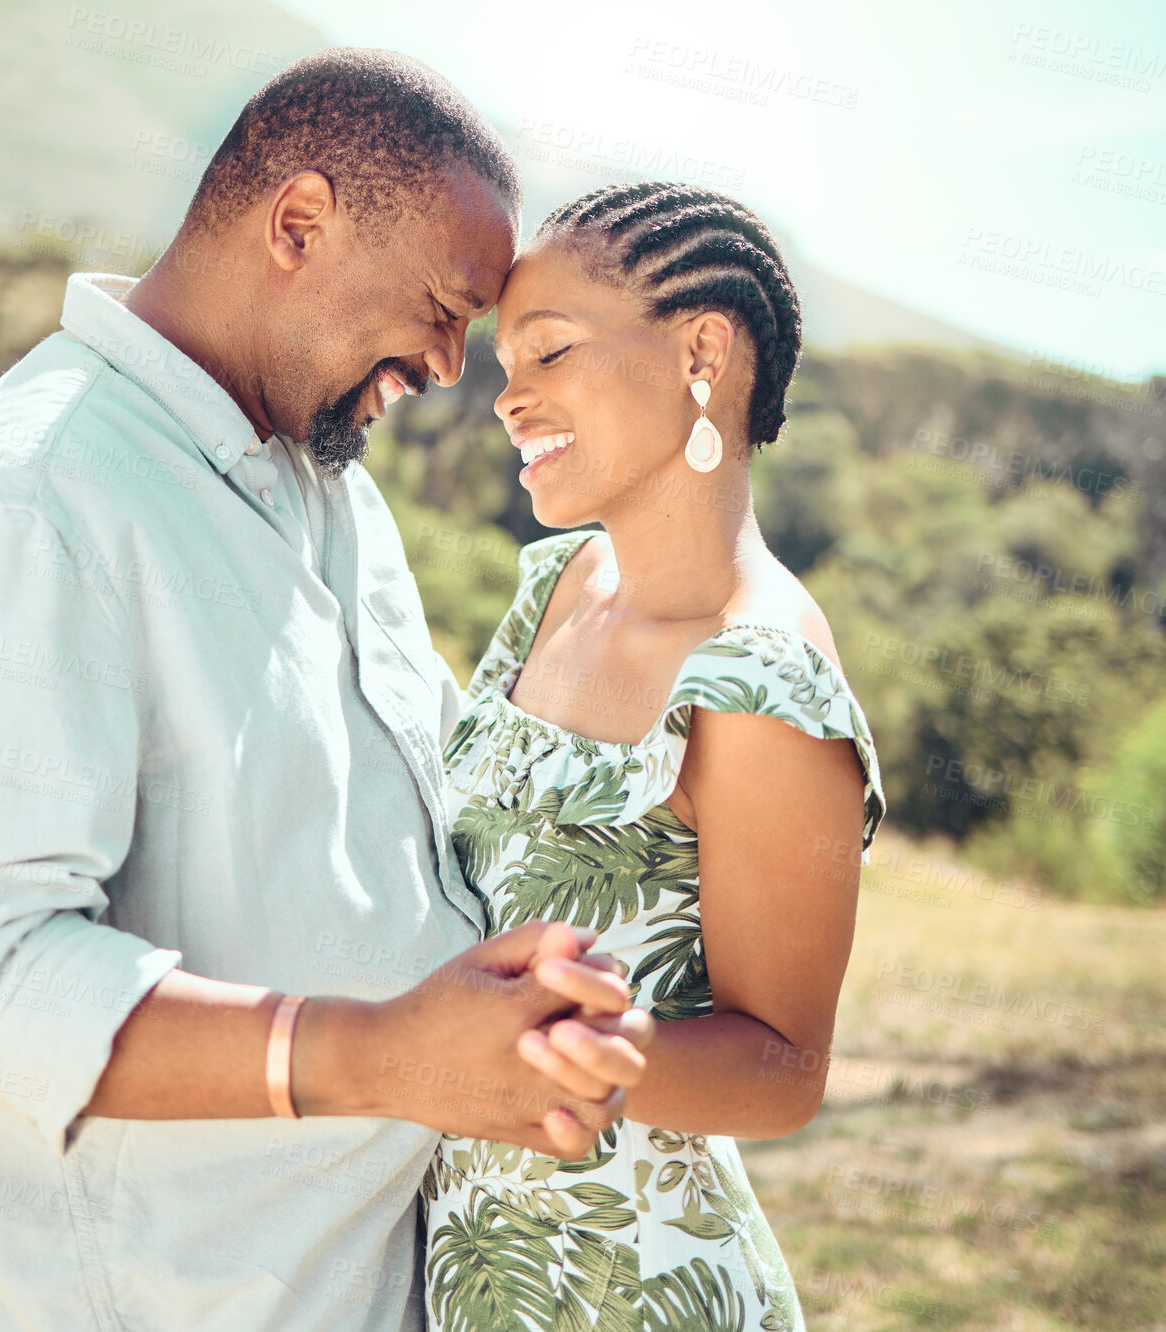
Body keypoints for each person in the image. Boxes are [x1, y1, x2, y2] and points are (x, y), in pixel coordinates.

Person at [0, 51, 650, 1332]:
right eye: (441, 307)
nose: (449, 365)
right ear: (299, 225)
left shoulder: (332, 487)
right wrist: (381, 1054)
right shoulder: (31, 505)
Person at [421, 181, 887, 1331]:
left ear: (702, 351)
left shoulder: (760, 678)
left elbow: (785, 1068)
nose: (509, 399)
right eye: (505, 366)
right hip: (468, 1271)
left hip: (638, 1289)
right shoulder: (550, 590)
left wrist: (596, 1050)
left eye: (550, 354)